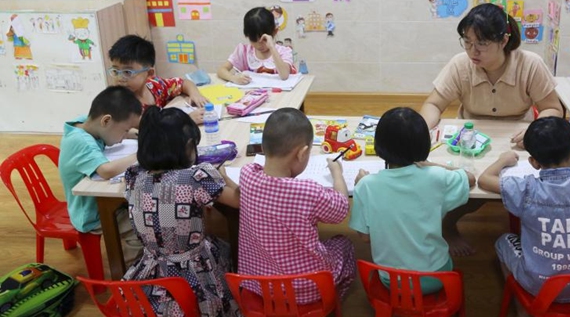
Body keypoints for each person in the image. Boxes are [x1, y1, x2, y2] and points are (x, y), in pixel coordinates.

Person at [420, 3, 563, 255]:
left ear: (504, 40)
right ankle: (448, 224)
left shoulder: (530, 64)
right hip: (469, 138)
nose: (472, 51)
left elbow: (553, 109)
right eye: (467, 42)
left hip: (516, 140)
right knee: (464, 183)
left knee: (527, 184)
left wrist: (534, 133)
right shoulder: (460, 64)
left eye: (482, 44)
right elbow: (434, 103)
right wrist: (423, 131)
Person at [479, 117, 570, 302]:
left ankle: (521, 307)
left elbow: (484, 179)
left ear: (533, 162)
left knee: (503, 241)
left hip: (539, 285)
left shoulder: (526, 188)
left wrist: (503, 160)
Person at [123, 107, 240, 317]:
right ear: (189, 147)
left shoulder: (134, 175)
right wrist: (222, 174)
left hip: (151, 266)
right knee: (225, 250)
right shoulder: (195, 178)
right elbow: (237, 201)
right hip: (193, 271)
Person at [350, 107, 474, 293]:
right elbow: (470, 178)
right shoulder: (437, 177)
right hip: (436, 277)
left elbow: (365, 237)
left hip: (390, 280)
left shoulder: (366, 186)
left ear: (379, 146)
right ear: (425, 144)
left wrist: (362, 184)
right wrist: (434, 166)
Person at [238, 108, 355, 303]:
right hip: (308, 291)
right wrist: (337, 174)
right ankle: (333, 299)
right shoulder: (307, 191)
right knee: (345, 244)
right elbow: (341, 209)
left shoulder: (247, 174)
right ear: (302, 153)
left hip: (258, 287)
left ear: (263, 148)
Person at [58, 86, 143, 265]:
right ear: (106, 121)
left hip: (97, 202)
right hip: (91, 213)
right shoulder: (81, 141)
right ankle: (131, 275)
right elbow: (106, 171)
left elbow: (126, 131)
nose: (123, 137)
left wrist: (139, 133)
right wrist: (142, 153)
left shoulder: (86, 124)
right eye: (123, 130)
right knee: (140, 228)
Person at [108, 34, 208, 124]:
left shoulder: (155, 86)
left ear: (149, 73)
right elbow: (151, 128)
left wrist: (195, 94)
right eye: (115, 71)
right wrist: (186, 120)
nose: (120, 78)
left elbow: (183, 83)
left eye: (127, 72)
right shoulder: (121, 103)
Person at [217, 7, 296, 83]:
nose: (259, 45)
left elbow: (284, 75)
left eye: (264, 40)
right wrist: (233, 78)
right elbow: (221, 70)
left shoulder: (283, 51)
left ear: (274, 32)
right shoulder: (243, 51)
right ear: (247, 35)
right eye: (254, 40)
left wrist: (272, 47)